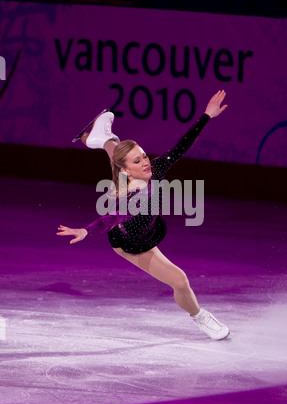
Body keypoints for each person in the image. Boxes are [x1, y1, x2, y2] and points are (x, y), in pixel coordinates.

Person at [57, 90, 230, 340]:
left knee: (117, 153)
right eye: (138, 162)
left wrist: (206, 116)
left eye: (144, 156)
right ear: (128, 172)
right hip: (132, 244)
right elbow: (110, 220)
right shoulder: (129, 198)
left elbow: (180, 147)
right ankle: (200, 316)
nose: (146, 163)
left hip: (147, 224)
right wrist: (86, 230)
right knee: (180, 281)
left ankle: (100, 138)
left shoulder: (152, 168)